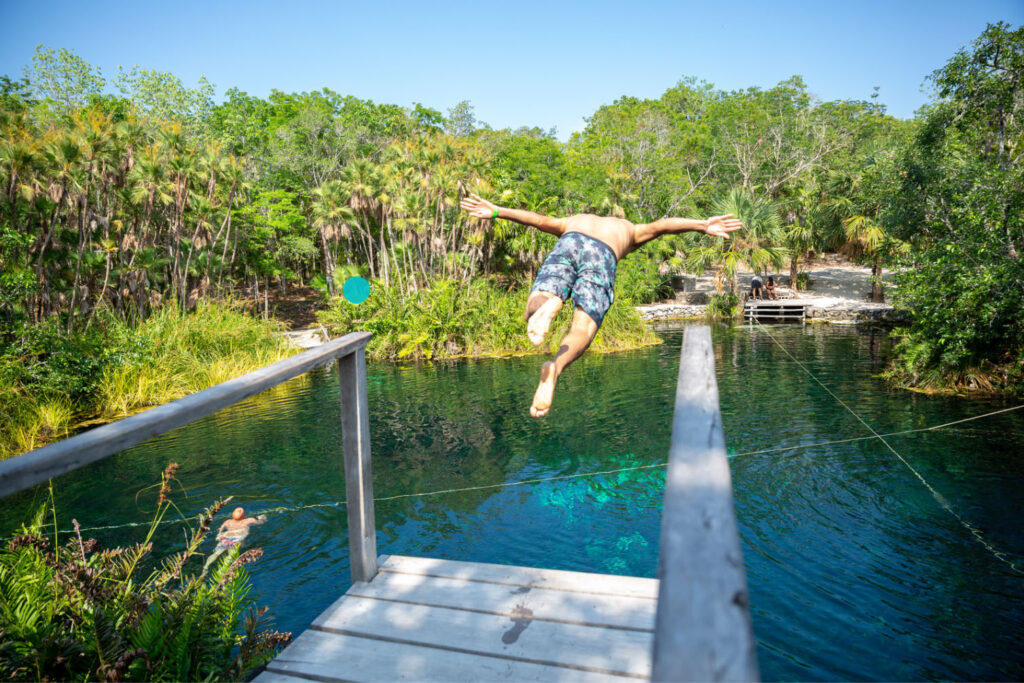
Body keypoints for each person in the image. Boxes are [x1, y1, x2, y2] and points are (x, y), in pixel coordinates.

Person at [460, 194, 742, 417]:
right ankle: (555, 369)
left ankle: (552, 301)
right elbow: (662, 226)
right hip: (603, 254)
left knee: (535, 306)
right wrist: (702, 225)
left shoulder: (575, 219)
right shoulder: (629, 230)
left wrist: (497, 210)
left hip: (569, 241)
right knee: (584, 327)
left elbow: (536, 219)